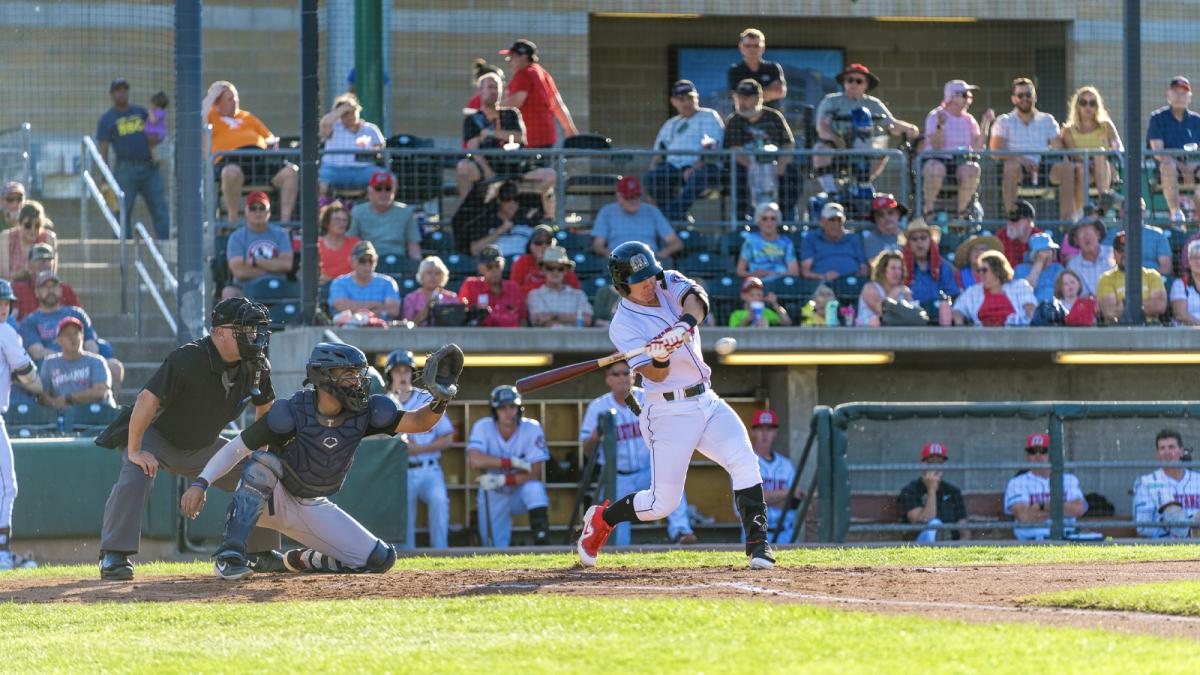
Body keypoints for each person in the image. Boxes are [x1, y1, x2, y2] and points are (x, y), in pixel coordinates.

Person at [180, 342, 461, 579]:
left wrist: (440, 401)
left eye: (357, 373)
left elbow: (418, 422)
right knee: (263, 464)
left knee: (380, 560)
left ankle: (293, 561)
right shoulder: (290, 411)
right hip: (274, 500)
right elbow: (237, 448)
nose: (357, 380)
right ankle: (229, 556)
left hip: (314, 504)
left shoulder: (366, 411)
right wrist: (201, 483)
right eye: (348, 373)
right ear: (325, 376)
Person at [577, 242, 775, 570]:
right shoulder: (623, 326)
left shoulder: (666, 280)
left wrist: (683, 325)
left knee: (744, 460)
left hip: (705, 399)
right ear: (621, 286)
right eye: (639, 281)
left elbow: (698, 301)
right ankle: (602, 518)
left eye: (649, 275)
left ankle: (758, 545)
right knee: (662, 504)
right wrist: (660, 353)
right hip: (666, 411)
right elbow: (657, 374)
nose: (649, 283)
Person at [99, 299, 281, 580]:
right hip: (158, 436)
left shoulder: (257, 365)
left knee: (261, 474)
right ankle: (114, 554)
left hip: (205, 444)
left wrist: (259, 455)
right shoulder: (189, 357)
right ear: (219, 332)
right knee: (137, 471)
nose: (253, 335)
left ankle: (261, 551)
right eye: (244, 329)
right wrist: (135, 450)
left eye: (254, 329)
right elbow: (146, 400)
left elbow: (265, 410)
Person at [579, 361, 697, 546]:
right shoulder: (598, 407)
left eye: (626, 372)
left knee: (672, 485)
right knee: (618, 528)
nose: (622, 378)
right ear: (608, 379)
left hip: (648, 470)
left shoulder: (650, 397)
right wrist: (594, 437)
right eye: (616, 374)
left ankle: (681, 531)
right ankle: (620, 550)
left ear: (634, 374)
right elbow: (587, 451)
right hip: (618, 477)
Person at [457, 72, 555, 214]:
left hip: (515, 168)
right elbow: (473, 149)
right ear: (480, 91)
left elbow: (519, 138)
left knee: (550, 175)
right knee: (463, 167)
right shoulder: (472, 119)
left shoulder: (511, 113)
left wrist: (491, 133)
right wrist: (488, 172)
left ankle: (508, 191)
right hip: (488, 168)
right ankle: (466, 213)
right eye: (490, 87)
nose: (494, 91)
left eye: (497, 87)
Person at [384, 350, 454, 549]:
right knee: (404, 515)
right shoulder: (385, 400)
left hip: (429, 468)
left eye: (407, 370)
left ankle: (441, 552)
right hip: (400, 471)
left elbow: (448, 437)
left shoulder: (426, 397)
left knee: (440, 501)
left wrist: (420, 449)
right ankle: (407, 558)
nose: (403, 375)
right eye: (398, 371)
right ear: (390, 374)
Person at [203, 80, 299, 224]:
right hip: (231, 161)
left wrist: (271, 143)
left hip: (259, 158)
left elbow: (270, 137)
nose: (235, 102)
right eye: (230, 99)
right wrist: (212, 95)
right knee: (230, 172)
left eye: (236, 98)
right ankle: (232, 221)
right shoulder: (211, 116)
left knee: (291, 172)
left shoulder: (247, 117)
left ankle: (285, 224)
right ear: (217, 103)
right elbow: (196, 120)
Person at [813, 64, 918, 194]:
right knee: (820, 149)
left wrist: (910, 128)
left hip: (865, 146)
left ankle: (862, 184)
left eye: (859, 81)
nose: (854, 84)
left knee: (881, 150)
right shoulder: (830, 101)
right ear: (844, 83)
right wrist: (838, 141)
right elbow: (822, 127)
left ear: (866, 84)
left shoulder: (874, 104)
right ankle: (831, 192)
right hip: (836, 147)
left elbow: (891, 125)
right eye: (849, 80)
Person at [469, 385, 550, 547]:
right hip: (494, 492)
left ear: (519, 408)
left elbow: (535, 473)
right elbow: (474, 460)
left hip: (518, 491)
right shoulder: (483, 426)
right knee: (493, 546)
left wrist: (503, 479)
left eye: (512, 407)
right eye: (502, 407)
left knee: (535, 489)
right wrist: (511, 462)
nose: (508, 412)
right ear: (495, 410)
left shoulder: (532, 427)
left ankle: (542, 541)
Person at [0, 279, 44, 571]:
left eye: (6, 303)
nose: (3, 308)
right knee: (8, 486)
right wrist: (38, 386)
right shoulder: (4, 331)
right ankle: (2, 552)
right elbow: (27, 371)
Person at [19, 271, 123, 391]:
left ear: (61, 289)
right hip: (53, 368)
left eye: (54, 286)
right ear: (36, 292)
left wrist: (81, 361)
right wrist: (68, 358)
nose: (50, 290)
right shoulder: (29, 321)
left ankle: (109, 409)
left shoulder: (76, 313)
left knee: (114, 367)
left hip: (83, 362)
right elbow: (38, 352)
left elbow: (91, 344)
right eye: (45, 287)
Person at [642, 79, 725, 222]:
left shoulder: (708, 116)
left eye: (690, 98)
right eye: (682, 99)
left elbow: (712, 148)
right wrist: (652, 171)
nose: (687, 103)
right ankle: (679, 220)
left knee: (700, 174)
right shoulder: (671, 124)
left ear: (696, 98)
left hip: (702, 167)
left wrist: (694, 167)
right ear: (674, 101)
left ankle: (670, 216)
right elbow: (658, 154)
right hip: (674, 168)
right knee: (651, 177)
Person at [96, 78, 169, 239]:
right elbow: (103, 149)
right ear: (112, 94)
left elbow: (154, 133)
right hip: (125, 169)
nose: (122, 94)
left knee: (160, 209)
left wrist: (157, 136)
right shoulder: (107, 119)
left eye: (124, 90)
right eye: (118, 90)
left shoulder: (140, 112)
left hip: (149, 168)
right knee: (122, 211)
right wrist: (105, 176)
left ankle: (166, 246)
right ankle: (123, 250)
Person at [989, 77, 1070, 217]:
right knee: (1010, 166)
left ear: (1035, 97)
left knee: (1067, 168)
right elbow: (995, 151)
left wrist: (1066, 137)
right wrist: (1021, 159)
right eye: (1020, 95)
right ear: (1013, 99)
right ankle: (1012, 218)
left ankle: (1067, 222)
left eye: (1028, 95)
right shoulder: (1004, 121)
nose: (1024, 98)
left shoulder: (1047, 120)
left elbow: (1059, 149)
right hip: (1017, 169)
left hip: (1043, 167)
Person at [723, 78, 799, 219]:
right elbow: (734, 149)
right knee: (735, 176)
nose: (741, 101)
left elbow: (788, 144)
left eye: (746, 97)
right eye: (738, 97)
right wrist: (754, 167)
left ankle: (787, 219)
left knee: (792, 174)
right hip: (748, 166)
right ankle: (742, 223)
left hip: (774, 163)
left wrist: (781, 165)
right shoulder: (734, 120)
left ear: (759, 98)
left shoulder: (774, 116)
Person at [921, 80, 994, 220]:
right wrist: (940, 126)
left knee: (972, 168)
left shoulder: (969, 119)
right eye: (965, 95)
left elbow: (978, 147)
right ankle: (929, 211)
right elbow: (936, 146)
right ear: (952, 97)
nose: (969, 98)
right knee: (936, 169)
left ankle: (961, 213)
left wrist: (986, 123)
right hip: (938, 159)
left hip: (961, 160)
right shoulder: (936, 115)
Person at [1004, 433, 1088, 541]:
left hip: (1065, 540)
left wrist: (1040, 507)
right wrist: (1059, 510)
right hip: (1031, 542)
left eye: (1043, 451)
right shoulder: (1017, 482)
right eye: (1033, 451)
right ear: (1027, 456)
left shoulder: (1069, 479)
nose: (1038, 455)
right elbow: (1024, 516)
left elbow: (1078, 510)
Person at [499, 39, 577, 148]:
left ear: (524, 56)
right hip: (547, 137)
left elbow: (517, 101)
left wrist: (492, 108)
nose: (509, 60)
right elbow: (557, 104)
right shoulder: (543, 73)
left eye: (512, 56)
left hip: (529, 139)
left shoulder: (524, 73)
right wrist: (569, 128)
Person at [1060, 86, 1124, 218]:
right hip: (1083, 169)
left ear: (1097, 106)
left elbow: (1118, 148)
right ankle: (1082, 213)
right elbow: (1075, 155)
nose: (1088, 106)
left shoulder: (1106, 125)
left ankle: (1103, 196)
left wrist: (1100, 157)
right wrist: (1090, 161)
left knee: (1099, 154)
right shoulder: (1067, 130)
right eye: (1083, 103)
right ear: (1077, 106)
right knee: (1082, 171)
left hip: (1106, 169)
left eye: (1092, 103)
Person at [1147, 76, 1200, 222]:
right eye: (1175, 92)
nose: (1179, 96)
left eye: (1184, 93)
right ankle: (1176, 213)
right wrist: (1182, 166)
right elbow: (1158, 152)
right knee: (1168, 164)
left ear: (1189, 98)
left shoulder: (1197, 121)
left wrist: (1190, 166)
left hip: (1193, 168)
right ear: (1167, 95)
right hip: (1167, 170)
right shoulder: (1157, 118)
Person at [591, 177, 683, 261]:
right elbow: (598, 245)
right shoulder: (607, 211)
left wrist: (661, 254)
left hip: (648, 263)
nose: (633, 201)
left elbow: (675, 242)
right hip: (619, 263)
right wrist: (613, 256)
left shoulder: (652, 211)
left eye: (637, 196)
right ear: (619, 197)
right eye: (629, 197)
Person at [223, 192, 293, 299]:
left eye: (262, 208)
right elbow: (239, 272)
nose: (257, 212)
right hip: (245, 289)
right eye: (253, 208)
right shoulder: (236, 237)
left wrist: (255, 261)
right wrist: (272, 268)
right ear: (246, 211)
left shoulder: (282, 234)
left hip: (278, 286)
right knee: (228, 293)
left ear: (268, 212)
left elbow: (286, 265)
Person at [1132, 429, 1200, 539]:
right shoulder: (1146, 482)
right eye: (1162, 448)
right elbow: (1142, 527)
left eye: (1171, 447)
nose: (1167, 452)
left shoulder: (1198, 479)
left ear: (1181, 452)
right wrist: (1169, 527)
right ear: (1158, 454)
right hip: (1165, 548)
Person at [37, 316, 115, 410]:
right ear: (59, 340)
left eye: (76, 333)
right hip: (64, 416)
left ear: (82, 337)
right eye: (68, 334)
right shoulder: (49, 363)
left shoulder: (97, 361)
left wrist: (68, 398)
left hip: (96, 415)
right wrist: (54, 403)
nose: (73, 338)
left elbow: (100, 392)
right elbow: (43, 394)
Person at [898, 442, 970, 542]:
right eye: (931, 462)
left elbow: (965, 533)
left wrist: (958, 550)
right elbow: (922, 521)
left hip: (950, 547)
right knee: (934, 523)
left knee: (940, 527)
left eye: (939, 463)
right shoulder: (910, 490)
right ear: (923, 465)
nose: (935, 467)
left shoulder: (953, 491)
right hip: (919, 547)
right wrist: (931, 490)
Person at [747, 409, 799, 544]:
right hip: (755, 534)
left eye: (769, 429)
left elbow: (794, 503)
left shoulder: (786, 465)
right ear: (752, 431)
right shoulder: (745, 462)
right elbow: (754, 499)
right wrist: (787, 492)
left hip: (785, 533)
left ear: (775, 432)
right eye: (760, 429)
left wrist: (768, 498)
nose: (765, 434)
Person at [317, 93, 384, 195]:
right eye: (345, 114)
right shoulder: (333, 128)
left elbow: (380, 150)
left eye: (352, 112)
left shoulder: (370, 129)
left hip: (364, 170)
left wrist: (371, 152)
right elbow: (324, 125)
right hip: (333, 170)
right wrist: (340, 110)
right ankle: (320, 210)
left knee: (387, 178)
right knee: (318, 183)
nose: (350, 117)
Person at [1096, 231, 1167, 324]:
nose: (1125, 254)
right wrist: (1143, 305)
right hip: (1118, 331)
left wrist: (1124, 305)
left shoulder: (1152, 275)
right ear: (1114, 253)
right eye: (1120, 250)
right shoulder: (1105, 278)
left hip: (1149, 329)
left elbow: (1159, 306)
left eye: (1129, 250)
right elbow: (1110, 312)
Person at [348, 172, 422, 261]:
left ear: (394, 191)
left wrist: (417, 268)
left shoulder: (406, 212)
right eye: (378, 189)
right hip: (368, 262)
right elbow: (351, 243)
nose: (383, 193)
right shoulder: (358, 212)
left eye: (388, 188)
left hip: (398, 260)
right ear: (369, 192)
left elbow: (413, 245)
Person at [952, 250, 1036, 326]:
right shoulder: (973, 291)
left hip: (1014, 335)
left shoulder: (1019, 286)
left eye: (984, 270)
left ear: (997, 270)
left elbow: (1030, 309)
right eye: (978, 270)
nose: (980, 274)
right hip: (983, 337)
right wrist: (959, 324)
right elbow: (957, 309)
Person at [459, 179, 537, 257]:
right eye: (507, 198)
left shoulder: (528, 219)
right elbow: (474, 250)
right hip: (496, 265)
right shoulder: (486, 221)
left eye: (516, 199)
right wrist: (501, 230)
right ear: (499, 200)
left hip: (522, 265)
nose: (512, 203)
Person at [329, 241, 401, 320]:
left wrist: (354, 309)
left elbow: (393, 310)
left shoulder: (388, 282)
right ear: (352, 262)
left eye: (371, 260)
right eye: (362, 260)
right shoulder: (340, 282)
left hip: (380, 330)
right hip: (348, 330)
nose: (367, 264)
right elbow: (341, 306)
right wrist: (377, 305)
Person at [457, 246, 526, 327]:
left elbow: (523, 319)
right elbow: (462, 314)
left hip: (510, 337)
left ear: (503, 266)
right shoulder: (470, 285)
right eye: (489, 266)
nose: (494, 270)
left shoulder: (513, 288)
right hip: (481, 337)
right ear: (480, 269)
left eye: (497, 266)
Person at [800, 202, 868, 282]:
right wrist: (822, 277)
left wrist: (856, 278)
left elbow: (864, 268)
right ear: (822, 221)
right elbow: (805, 272)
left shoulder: (853, 238)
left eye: (839, 220)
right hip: (822, 284)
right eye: (831, 220)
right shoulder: (811, 238)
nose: (836, 223)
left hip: (852, 284)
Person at [527, 246, 592, 327]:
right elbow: (539, 321)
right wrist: (573, 318)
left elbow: (587, 320)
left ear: (566, 271)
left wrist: (554, 316)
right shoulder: (535, 295)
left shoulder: (579, 295)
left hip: (576, 339)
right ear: (543, 270)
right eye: (550, 268)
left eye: (560, 268)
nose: (555, 272)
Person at [12, 243, 78, 321]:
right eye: (40, 260)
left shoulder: (65, 290)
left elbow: (78, 320)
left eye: (49, 260)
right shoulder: (17, 290)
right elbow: (10, 321)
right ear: (29, 264)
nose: (45, 264)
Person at [511, 224, 581, 296]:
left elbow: (575, 289)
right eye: (538, 242)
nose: (544, 246)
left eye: (548, 242)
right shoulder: (522, 262)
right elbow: (514, 291)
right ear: (530, 246)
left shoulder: (561, 262)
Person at [736, 202, 799, 282]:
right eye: (765, 219)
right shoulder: (751, 241)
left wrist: (772, 273)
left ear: (777, 221)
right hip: (757, 286)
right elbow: (740, 271)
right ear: (759, 222)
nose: (769, 222)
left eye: (773, 218)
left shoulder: (786, 242)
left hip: (781, 284)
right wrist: (753, 275)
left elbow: (794, 272)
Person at [901, 218, 958, 305]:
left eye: (923, 238)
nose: (919, 242)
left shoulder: (943, 266)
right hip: (909, 315)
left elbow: (952, 295)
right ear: (908, 244)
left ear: (930, 241)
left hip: (939, 315)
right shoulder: (901, 267)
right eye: (914, 239)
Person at [727, 28, 786, 109]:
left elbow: (780, 92)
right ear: (741, 47)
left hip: (771, 119)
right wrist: (768, 91)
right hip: (742, 118)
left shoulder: (773, 68)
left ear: (763, 47)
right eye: (748, 46)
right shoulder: (735, 70)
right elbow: (736, 97)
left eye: (756, 46)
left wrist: (748, 94)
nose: (752, 49)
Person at [1, 201, 55, 283]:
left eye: (37, 225)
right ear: (19, 223)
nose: (33, 230)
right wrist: (23, 273)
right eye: (28, 225)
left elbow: (51, 276)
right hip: (13, 288)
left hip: (40, 289)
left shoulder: (49, 238)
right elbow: (3, 278)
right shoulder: (6, 237)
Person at [857, 251, 913, 326]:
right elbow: (880, 309)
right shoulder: (870, 288)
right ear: (883, 270)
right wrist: (896, 291)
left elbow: (910, 317)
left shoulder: (903, 291)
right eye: (893, 268)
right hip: (866, 335)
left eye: (900, 268)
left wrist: (908, 299)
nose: (897, 272)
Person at [402, 256, 460, 327]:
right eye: (429, 273)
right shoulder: (411, 298)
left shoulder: (452, 298)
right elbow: (408, 325)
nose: (433, 277)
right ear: (422, 276)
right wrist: (428, 308)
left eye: (437, 273)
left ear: (442, 277)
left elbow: (456, 323)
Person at [1064, 216, 1114, 298]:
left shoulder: (1113, 254)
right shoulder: (1073, 266)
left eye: (1089, 232)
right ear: (1076, 241)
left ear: (1098, 235)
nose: (1086, 237)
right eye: (1082, 233)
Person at [1014, 232, 1065, 304]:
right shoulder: (1020, 269)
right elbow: (1025, 292)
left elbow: (1065, 292)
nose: (1048, 254)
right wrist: (1039, 262)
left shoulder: (1058, 268)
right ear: (1033, 254)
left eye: (1049, 249)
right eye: (1043, 251)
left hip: (1056, 309)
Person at [317, 201, 359, 284]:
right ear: (326, 221)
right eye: (337, 219)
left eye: (344, 220)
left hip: (351, 290)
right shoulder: (317, 244)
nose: (341, 223)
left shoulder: (356, 244)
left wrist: (333, 280)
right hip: (324, 290)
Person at [997, 200, 1044, 268]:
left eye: (1015, 220)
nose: (1010, 223)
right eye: (1009, 219)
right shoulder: (1001, 235)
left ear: (1029, 221)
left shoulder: (1041, 238)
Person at [862, 194, 907, 263]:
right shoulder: (871, 239)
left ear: (898, 214)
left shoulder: (909, 235)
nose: (886, 218)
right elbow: (876, 266)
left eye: (890, 213)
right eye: (881, 215)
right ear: (875, 219)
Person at [1172, 241, 1200, 325]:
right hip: (1188, 332)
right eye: (1194, 258)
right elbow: (1181, 315)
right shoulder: (1180, 284)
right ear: (1189, 261)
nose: (1198, 262)